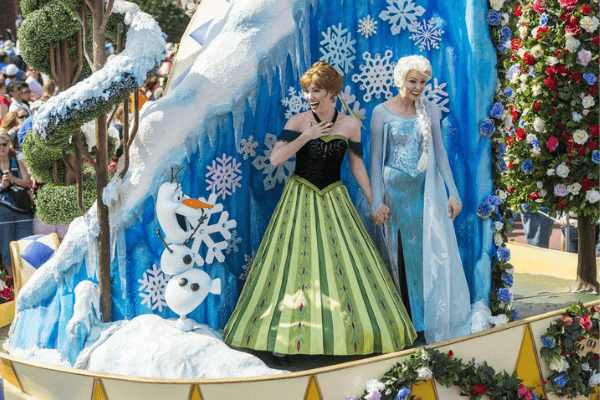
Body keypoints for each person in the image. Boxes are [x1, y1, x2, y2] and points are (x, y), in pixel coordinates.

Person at [224, 62, 416, 357]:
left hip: (335, 200)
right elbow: (276, 158)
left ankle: (343, 333)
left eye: (317, 91)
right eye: (307, 91)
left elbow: (357, 166)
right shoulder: (298, 121)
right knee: (295, 265)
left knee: (339, 267)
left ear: (333, 92)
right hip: (299, 197)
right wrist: (306, 137)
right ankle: (284, 338)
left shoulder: (351, 126)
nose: (310, 96)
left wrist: (375, 201)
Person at [369, 55, 473, 344]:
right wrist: (377, 201)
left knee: (427, 254)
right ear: (400, 80)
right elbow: (375, 160)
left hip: (424, 198)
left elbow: (440, 154)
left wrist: (453, 191)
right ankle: (403, 322)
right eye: (412, 81)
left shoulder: (431, 110)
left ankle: (425, 321)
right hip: (394, 197)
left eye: (422, 82)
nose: (417, 87)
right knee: (397, 254)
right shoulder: (381, 112)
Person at [0, 132, 33, 275]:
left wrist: (14, 180)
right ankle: (13, 285)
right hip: (3, 212)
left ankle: (25, 280)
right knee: (6, 248)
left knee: (25, 246)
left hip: (22, 210)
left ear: (9, 145)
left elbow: (29, 183)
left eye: (4, 144)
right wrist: (2, 186)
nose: (1, 147)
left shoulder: (17, 162)